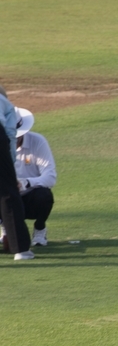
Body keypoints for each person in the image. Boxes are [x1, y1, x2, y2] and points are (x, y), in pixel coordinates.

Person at [14, 107, 57, 247]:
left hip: (29, 197)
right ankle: (5, 230)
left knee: (44, 195)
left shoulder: (37, 141)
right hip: (5, 197)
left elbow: (50, 177)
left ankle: (39, 228)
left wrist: (25, 182)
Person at [0, 86, 33, 260]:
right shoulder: (5, 103)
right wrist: (10, 174)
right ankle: (20, 249)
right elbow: (11, 134)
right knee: (8, 194)